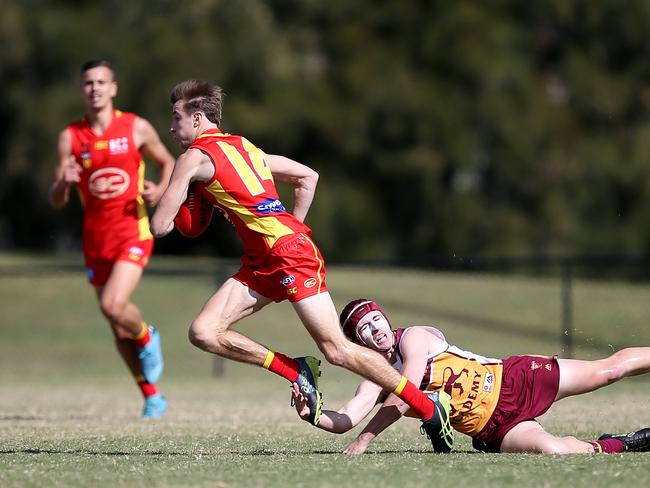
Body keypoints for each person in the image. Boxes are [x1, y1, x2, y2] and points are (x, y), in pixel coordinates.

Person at [150, 79, 451, 445]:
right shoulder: (245, 148)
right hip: (263, 260)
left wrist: (171, 193)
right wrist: (295, 225)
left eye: (176, 118)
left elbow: (162, 225)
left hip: (288, 256)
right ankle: (295, 369)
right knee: (203, 332)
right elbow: (307, 177)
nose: (171, 127)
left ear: (197, 119)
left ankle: (428, 407)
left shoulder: (193, 158)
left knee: (337, 350)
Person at [291, 298, 650, 455]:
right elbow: (347, 419)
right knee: (555, 450)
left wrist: (366, 440)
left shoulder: (414, 337)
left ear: (385, 319)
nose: (376, 330)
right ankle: (623, 443)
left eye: (375, 320)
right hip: (494, 428)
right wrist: (314, 415)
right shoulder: (373, 377)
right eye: (363, 330)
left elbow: (405, 392)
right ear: (358, 341)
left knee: (610, 370)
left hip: (515, 379)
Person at [48, 60, 175, 419]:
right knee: (116, 324)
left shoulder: (135, 128)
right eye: (88, 82)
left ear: (113, 88)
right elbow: (56, 200)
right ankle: (151, 395)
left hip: (131, 232)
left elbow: (168, 163)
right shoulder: (70, 137)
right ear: (82, 89)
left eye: (101, 82)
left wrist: (160, 191)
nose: (95, 88)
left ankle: (148, 336)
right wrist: (63, 184)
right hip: (95, 242)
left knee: (113, 305)